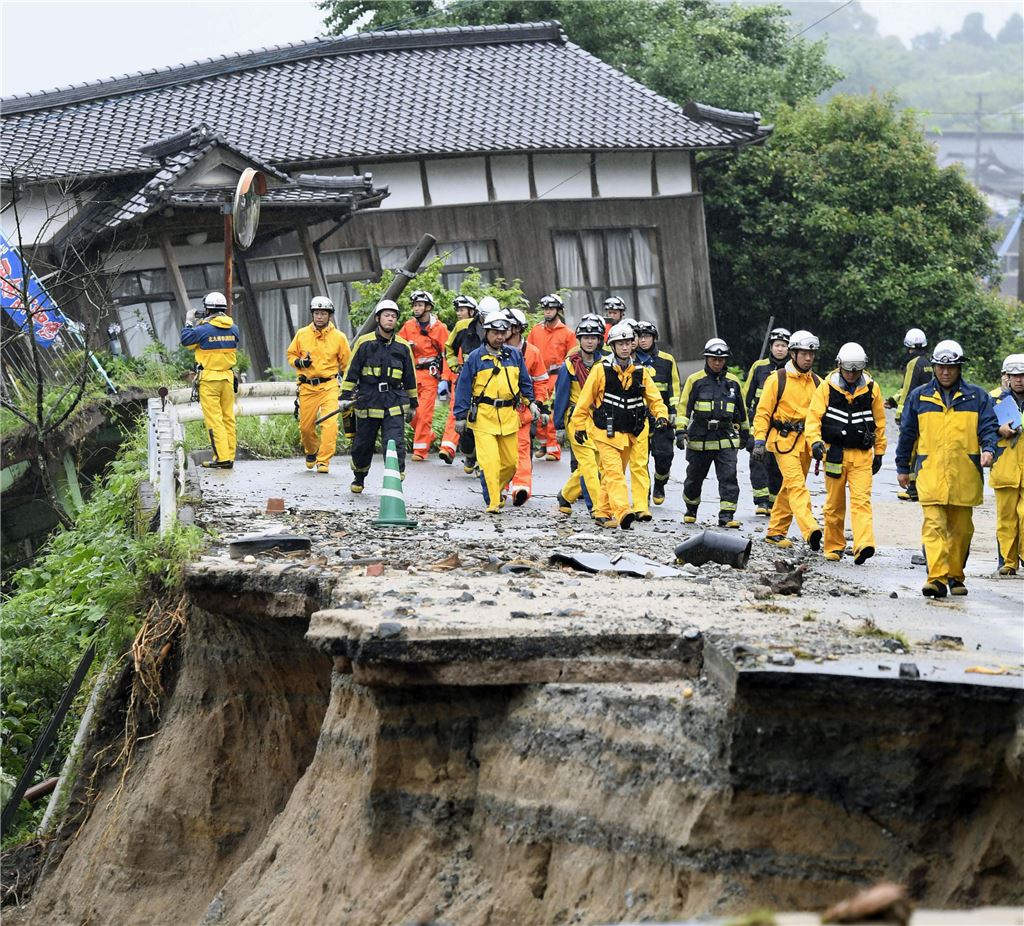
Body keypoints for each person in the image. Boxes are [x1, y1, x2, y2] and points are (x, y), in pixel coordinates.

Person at [895, 339, 998, 597]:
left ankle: (955, 575)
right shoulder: (920, 396)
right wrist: (902, 467)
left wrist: (988, 449)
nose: (945, 372)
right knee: (933, 526)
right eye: (941, 367)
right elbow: (907, 434)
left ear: (959, 368)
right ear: (935, 367)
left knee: (962, 530)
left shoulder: (978, 397)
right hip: (931, 473)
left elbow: (988, 428)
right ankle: (937, 578)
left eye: (951, 367)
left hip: (965, 475)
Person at [569, 322, 669, 530]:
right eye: (619, 343)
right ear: (612, 346)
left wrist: (661, 416)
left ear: (633, 345)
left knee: (611, 475)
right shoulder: (600, 370)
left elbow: (655, 399)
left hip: (630, 433)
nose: (624, 347)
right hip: (604, 433)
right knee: (614, 473)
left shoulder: (641, 372)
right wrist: (578, 426)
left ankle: (602, 512)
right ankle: (623, 512)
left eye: (627, 343)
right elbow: (584, 400)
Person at [805, 343, 887, 564]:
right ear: (839, 365)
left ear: (863, 368)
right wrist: (814, 443)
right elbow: (813, 419)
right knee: (834, 503)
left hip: (861, 455)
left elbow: (879, 422)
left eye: (856, 370)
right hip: (834, 454)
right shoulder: (826, 388)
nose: (852, 374)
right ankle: (834, 546)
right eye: (848, 369)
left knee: (862, 502)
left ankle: (863, 545)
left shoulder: (872, 389)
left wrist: (879, 452)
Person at [452, 310, 534, 513]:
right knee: (490, 462)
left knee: (511, 464)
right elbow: (462, 388)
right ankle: (493, 502)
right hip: (484, 417)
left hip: (508, 417)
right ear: (486, 333)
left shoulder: (514, 355)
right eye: (495, 332)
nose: (499, 336)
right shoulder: (475, 358)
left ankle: (493, 489)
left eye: (503, 332)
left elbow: (525, 382)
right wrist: (460, 417)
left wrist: (532, 403)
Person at [752, 330, 824, 550]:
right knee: (796, 486)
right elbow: (763, 412)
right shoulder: (777, 379)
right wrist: (759, 440)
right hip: (783, 442)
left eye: (811, 354)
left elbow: (821, 416)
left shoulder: (817, 382)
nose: (808, 358)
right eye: (803, 353)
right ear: (793, 354)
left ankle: (775, 532)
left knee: (788, 488)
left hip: (806, 443)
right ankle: (810, 528)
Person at [340, 299, 417, 494]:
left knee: (394, 443)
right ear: (378, 318)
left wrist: (413, 404)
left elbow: (410, 377)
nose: (390, 319)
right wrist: (344, 396)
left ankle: (395, 480)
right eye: (386, 315)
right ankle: (359, 476)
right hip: (368, 401)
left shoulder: (402, 347)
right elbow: (352, 371)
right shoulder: (364, 343)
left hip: (394, 402)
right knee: (363, 444)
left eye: (393, 316)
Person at [676, 338, 748, 528]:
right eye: (713, 359)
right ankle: (691, 509)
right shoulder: (695, 380)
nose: (717, 363)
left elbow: (742, 411)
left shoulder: (733, 383)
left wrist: (747, 434)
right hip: (699, 437)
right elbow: (684, 408)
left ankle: (726, 515)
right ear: (706, 359)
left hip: (725, 437)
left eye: (721, 359)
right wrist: (680, 431)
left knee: (729, 477)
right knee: (694, 477)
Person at [286, 296, 351, 474]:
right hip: (307, 387)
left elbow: (347, 365)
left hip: (329, 385)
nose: (320, 316)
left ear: (329, 315)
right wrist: (300, 363)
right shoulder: (302, 334)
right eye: (317, 313)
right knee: (306, 428)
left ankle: (324, 461)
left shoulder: (339, 337)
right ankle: (311, 450)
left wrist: (351, 386)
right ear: (312, 314)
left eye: (323, 313)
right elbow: (291, 355)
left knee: (330, 424)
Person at [552, 314, 607, 519]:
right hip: (576, 418)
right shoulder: (570, 365)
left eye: (593, 337)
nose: (590, 341)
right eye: (585, 337)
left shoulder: (605, 364)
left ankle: (566, 495)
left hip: (599, 419)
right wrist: (558, 426)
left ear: (599, 340)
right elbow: (561, 396)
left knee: (599, 462)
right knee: (589, 464)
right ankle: (597, 508)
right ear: (579, 340)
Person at [180, 291, 240, 469]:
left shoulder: (202, 330)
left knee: (214, 420)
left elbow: (186, 341)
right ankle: (229, 455)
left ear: (207, 310)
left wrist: (189, 321)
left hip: (209, 380)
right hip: (228, 378)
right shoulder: (234, 328)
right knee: (228, 418)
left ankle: (222, 458)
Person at [504, 306, 551, 505]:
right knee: (502, 452)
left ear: (516, 328)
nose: (501, 330)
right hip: (499, 411)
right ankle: (499, 486)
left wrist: (539, 404)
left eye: (506, 326)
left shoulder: (532, 353)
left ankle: (521, 487)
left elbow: (541, 381)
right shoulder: (496, 350)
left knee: (523, 449)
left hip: (523, 411)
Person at [742, 327, 790, 515]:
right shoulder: (759, 367)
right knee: (757, 460)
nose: (780, 349)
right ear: (771, 346)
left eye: (784, 346)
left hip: (782, 427)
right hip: (759, 423)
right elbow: (747, 395)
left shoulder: (792, 369)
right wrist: (743, 424)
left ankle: (773, 501)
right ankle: (761, 501)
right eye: (777, 345)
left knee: (777, 465)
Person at [634, 320, 681, 506]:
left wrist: (674, 412)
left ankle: (660, 483)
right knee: (640, 459)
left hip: (662, 416)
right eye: (639, 337)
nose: (643, 340)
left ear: (654, 338)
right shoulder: (631, 360)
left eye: (646, 336)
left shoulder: (667, 360)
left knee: (664, 456)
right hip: (638, 416)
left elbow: (674, 387)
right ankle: (643, 492)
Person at [398, 290, 449, 462]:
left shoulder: (439, 329)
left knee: (423, 412)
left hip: (430, 375)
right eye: (414, 305)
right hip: (411, 375)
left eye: (419, 305)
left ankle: (420, 450)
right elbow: (398, 347)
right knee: (409, 412)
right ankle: (428, 435)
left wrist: (446, 379)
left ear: (428, 307)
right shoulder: (408, 326)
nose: (416, 308)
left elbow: (447, 354)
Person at [526, 294, 577, 461]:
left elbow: (573, 356)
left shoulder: (567, 333)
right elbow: (528, 351)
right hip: (538, 376)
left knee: (554, 413)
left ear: (558, 311)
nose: (547, 312)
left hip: (557, 376)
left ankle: (554, 450)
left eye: (551, 309)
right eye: (546, 309)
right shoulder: (535, 330)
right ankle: (543, 444)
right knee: (538, 410)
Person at [439, 294, 482, 470]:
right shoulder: (461, 328)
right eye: (457, 310)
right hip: (463, 379)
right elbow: (448, 351)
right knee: (458, 413)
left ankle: (477, 457)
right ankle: (453, 449)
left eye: (462, 309)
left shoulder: (492, 328)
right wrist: (448, 374)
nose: (459, 313)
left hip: (486, 381)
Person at [990, 354, 1024, 576]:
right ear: (1007, 377)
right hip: (1005, 468)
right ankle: (1009, 563)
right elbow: (981, 426)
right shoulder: (994, 399)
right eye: (1015, 375)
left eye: (1023, 375)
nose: (1019, 380)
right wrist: (998, 429)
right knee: (1006, 519)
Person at [889, 328, 932, 501]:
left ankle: (913, 489)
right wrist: (892, 400)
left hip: (915, 414)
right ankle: (920, 486)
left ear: (908, 347)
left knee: (911, 451)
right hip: (929, 413)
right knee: (922, 449)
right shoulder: (928, 363)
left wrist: (901, 415)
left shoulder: (913, 364)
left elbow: (908, 391)